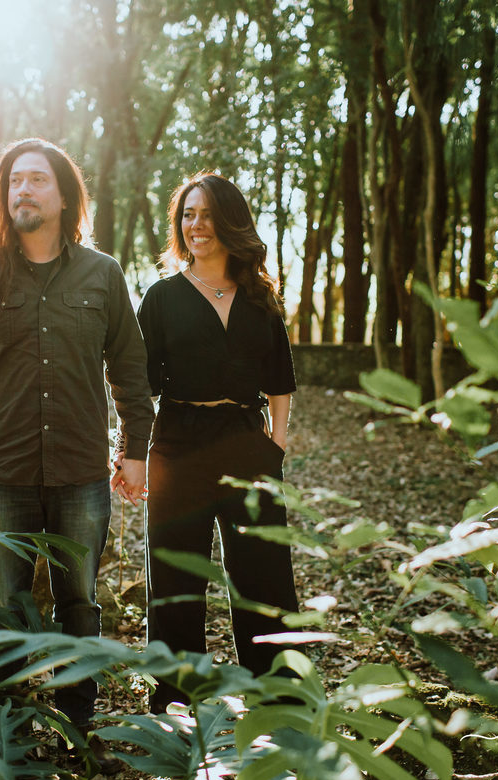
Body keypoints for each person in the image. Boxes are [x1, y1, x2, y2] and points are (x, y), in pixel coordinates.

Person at [0, 138, 154, 739]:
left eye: (37, 179)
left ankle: (78, 722)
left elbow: (130, 370)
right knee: (4, 607)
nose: (23, 189)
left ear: (64, 194)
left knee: (80, 603)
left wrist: (135, 452)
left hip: (82, 473)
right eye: (13, 181)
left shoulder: (102, 275)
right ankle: (5, 729)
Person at [129, 172, 299, 713]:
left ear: (229, 221)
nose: (195, 225)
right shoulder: (161, 298)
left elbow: (280, 379)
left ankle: (278, 690)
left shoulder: (260, 297)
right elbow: (136, 384)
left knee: (263, 568)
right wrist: (131, 450)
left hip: (248, 440)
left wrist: (278, 443)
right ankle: (177, 695)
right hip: (178, 441)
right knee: (176, 569)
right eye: (187, 215)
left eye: (205, 214)